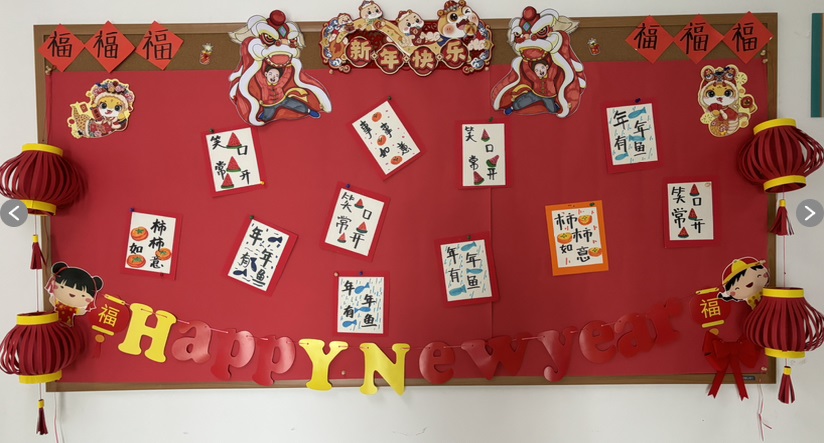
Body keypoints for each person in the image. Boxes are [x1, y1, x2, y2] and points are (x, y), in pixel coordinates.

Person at [256, 63, 320, 122]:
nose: (273, 77)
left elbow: (286, 76)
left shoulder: (280, 83)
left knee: (297, 105)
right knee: (267, 118)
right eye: (270, 74)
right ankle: (264, 114)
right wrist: (260, 61)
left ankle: (309, 111)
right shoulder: (263, 83)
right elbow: (258, 73)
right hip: (270, 105)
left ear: (279, 78)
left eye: (276, 75)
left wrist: (288, 66)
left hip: (282, 100)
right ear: (266, 74)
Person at [47, 262, 104, 326]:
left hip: (67, 324)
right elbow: (51, 300)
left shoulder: (72, 309)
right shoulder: (58, 304)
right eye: (62, 287)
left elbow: (81, 312)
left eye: (83, 295)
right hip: (53, 323)